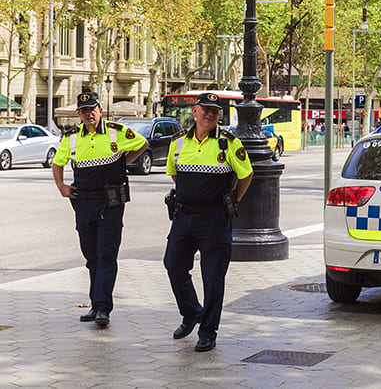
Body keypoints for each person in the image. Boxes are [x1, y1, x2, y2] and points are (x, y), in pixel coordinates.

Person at [163, 92, 253, 352]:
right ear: (195, 111)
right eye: (206, 109)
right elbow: (174, 174)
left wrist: (233, 200)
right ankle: (191, 313)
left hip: (214, 219)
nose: (210, 113)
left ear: (219, 115)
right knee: (173, 266)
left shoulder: (229, 143)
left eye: (215, 110)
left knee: (213, 278)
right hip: (184, 217)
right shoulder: (178, 142)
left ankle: (208, 332)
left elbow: (246, 174)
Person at [52, 91, 148, 327]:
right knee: (91, 257)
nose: (88, 114)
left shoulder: (116, 132)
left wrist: (122, 163)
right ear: (79, 114)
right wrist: (62, 187)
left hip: (111, 203)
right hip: (83, 203)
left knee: (106, 255)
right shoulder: (71, 137)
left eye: (92, 109)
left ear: (100, 110)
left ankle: (103, 308)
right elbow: (57, 163)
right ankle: (96, 304)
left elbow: (143, 144)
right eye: (84, 111)